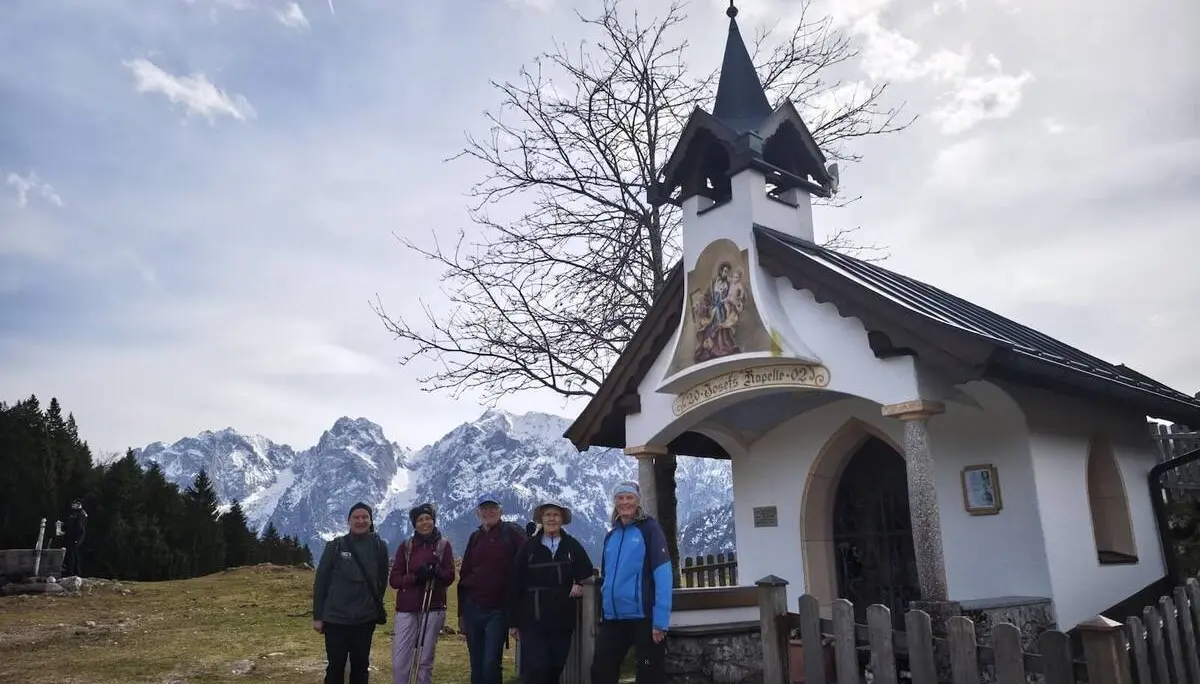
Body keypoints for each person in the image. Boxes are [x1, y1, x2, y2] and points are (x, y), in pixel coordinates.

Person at [590, 481, 673, 684]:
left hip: (644, 617)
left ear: (638, 501)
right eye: (620, 498)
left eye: (629, 497)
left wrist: (660, 621)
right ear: (615, 502)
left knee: (649, 675)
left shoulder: (650, 530)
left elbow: (663, 575)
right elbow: (607, 577)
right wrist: (603, 612)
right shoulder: (611, 536)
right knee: (600, 671)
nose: (625, 502)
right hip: (613, 618)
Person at [508, 502, 594, 684]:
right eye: (547, 515)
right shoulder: (529, 547)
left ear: (562, 519)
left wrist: (579, 583)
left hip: (562, 618)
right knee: (536, 668)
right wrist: (514, 622)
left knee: (556, 667)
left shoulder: (571, 546)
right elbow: (515, 583)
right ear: (541, 519)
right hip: (533, 618)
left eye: (556, 515)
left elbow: (586, 570)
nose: (552, 519)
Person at [312, 502, 390, 684]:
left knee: (361, 667)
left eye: (365, 517)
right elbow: (321, 582)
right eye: (356, 517)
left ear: (371, 521)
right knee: (335, 667)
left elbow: (382, 580)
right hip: (335, 619)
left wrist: (373, 604)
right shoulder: (335, 546)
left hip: (364, 619)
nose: (360, 521)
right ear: (349, 520)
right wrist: (318, 616)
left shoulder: (380, 546)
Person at [457, 495, 528, 684]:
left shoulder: (512, 533)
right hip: (473, 608)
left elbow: (527, 559)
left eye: (493, 508)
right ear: (478, 513)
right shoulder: (475, 537)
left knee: (491, 663)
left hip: (498, 610)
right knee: (476, 664)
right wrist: (462, 612)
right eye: (484, 509)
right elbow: (464, 574)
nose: (489, 512)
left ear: (500, 511)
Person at [389, 503, 455, 684]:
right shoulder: (406, 547)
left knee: (425, 660)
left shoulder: (443, 545)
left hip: (433, 607)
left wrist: (437, 572)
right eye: (420, 520)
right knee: (400, 660)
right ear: (414, 524)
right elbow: (394, 580)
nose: (425, 522)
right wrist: (416, 577)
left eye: (428, 518)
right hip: (406, 608)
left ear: (434, 521)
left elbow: (449, 576)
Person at [62, 498, 87, 577]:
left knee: (74, 555)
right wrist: (63, 525)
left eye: (75, 504)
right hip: (70, 537)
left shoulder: (81, 514)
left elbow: (79, 527)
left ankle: (74, 573)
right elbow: (69, 524)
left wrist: (77, 539)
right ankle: (71, 572)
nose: (72, 505)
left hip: (76, 537)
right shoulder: (73, 513)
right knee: (71, 555)